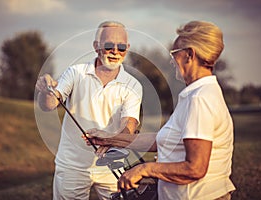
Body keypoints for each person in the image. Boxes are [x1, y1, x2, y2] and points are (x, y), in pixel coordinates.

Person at [86, 21, 236, 200]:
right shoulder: (195, 94)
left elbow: (195, 168)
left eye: (174, 53)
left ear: (189, 55)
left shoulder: (200, 99)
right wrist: (111, 139)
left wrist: (144, 169)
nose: (171, 60)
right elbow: (162, 140)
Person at [35, 21, 142, 200]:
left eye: (121, 47)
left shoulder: (133, 84)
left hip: (113, 165)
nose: (115, 51)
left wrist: (114, 140)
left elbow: (129, 123)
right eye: (109, 45)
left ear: (127, 48)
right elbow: (50, 104)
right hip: (72, 166)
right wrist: (46, 91)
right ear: (96, 46)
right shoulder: (75, 73)